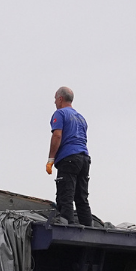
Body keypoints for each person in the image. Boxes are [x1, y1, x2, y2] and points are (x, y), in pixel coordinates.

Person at [46, 86, 93, 226]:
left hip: (69, 159)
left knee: (65, 195)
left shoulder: (60, 114)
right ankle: (89, 229)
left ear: (60, 99)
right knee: (81, 197)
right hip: (84, 158)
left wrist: (50, 160)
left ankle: (67, 228)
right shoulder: (81, 118)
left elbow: (57, 135)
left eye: (55, 99)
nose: (54, 102)